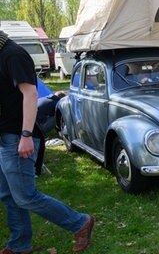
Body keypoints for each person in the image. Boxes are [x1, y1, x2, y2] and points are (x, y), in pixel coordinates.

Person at [0, 30, 95, 253]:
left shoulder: (13, 54)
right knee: (8, 194)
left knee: (25, 196)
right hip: (5, 136)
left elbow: (30, 95)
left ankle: (80, 223)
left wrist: (25, 135)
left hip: (18, 137)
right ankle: (20, 244)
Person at [34, 91, 66, 176]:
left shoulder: (45, 98)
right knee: (58, 115)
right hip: (40, 127)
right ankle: (61, 132)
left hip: (33, 126)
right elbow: (59, 116)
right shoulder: (57, 103)